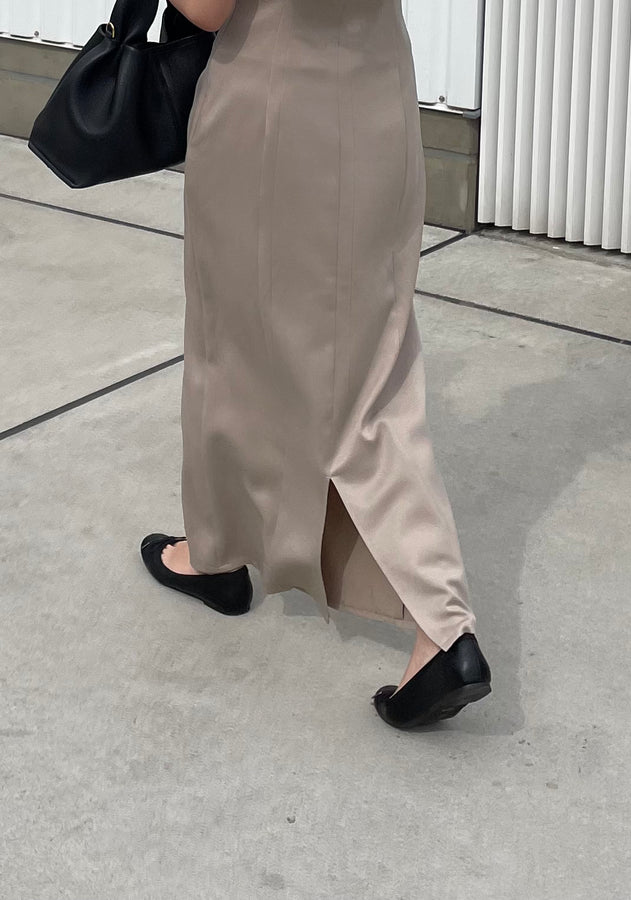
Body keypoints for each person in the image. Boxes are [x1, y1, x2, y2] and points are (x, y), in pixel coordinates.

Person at [140, 0, 491, 729]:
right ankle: (434, 622)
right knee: (370, 372)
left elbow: (205, 9)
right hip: (377, 100)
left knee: (232, 343)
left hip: (272, 111)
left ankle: (220, 557)